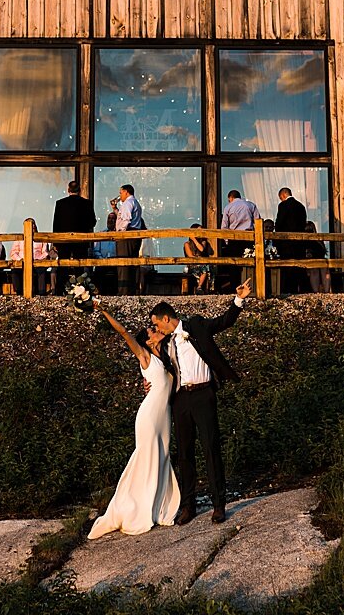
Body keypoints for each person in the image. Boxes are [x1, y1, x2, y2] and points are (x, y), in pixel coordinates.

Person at [144, 280, 250, 525]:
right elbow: (162, 371)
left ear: (167, 318)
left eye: (156, 322)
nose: (155, 327)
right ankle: (188, 505)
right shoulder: (166, 344)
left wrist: (239, 300)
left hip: (203, 395)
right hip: (181, 399)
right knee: (184, 452)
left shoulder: (196, 325)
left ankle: (218, 504)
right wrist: (149, 382)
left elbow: (224, 322)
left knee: (210, 447)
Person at [86, 296, 181, 539]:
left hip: (164, 415)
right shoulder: (145, 357)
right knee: (145, 457)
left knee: (162, 456)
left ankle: (158, 506)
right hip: (149, 416)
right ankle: (134, 507)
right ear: (147, 342)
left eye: (154, 327)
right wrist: (103, 310)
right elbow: (124, 333)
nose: (155, 330)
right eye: (151, 331)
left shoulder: (167, 353)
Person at [219, 190, 260, 289]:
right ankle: (252, 286)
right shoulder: (251, 205)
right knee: (250, 262)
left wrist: (227, 241)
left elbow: (224, 227)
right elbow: (257, 221)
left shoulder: (228, 207)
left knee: (234, 264)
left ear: (230, 198)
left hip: (234, 238)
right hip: (249, 237)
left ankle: (235, 287)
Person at [52, 180, 97, 269]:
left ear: (68, 190)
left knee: (63, 266)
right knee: (79, 267)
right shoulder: (87, 203)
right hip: (81, 240)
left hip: (64, 240)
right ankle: (78, 282)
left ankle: (62, 282)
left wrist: (56, 242)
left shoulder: (60, 203)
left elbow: (56, 224)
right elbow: (92, 222)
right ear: (79, 190)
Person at [273, 188, 309, 294]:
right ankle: (301, 290)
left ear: (284, 195)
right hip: (299, 242)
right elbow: (303, 223)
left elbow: (279, 222)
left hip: (286, 243)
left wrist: (277, 238)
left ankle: (288, 290)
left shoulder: (283, 206)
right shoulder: (301, 206)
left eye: (280, 198)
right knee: (299, 267)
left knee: (287, 267)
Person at [115, 184, 145, 295]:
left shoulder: (128, 203)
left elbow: (126, 219)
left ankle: (124, 292)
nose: (120, 195)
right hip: (133, 235)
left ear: (126, 192)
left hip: (127, 236)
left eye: (121, 192)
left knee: (124, 264)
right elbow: (123, 217)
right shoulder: (134, 202)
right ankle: (131, 290)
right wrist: (115, 209)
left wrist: (120, 233)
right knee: (131, 263)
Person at [7, 224, 55, 295]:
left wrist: (38, 259)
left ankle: (41, 292)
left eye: (33, 228)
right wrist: (20, 259)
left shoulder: (41, 239)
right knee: (15, 270)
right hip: (22, 261)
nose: (32, 229)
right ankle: (18, 292)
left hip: (37, 260)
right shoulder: (19, 239)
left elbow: (45, 252)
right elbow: (13, 252)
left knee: (41, 269)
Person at [182, 224, 214, 294]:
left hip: (202, 265)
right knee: (204, 268)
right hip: (192, 265)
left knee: (206, 268)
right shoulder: (187, 244)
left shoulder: (203, 242)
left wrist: (195, 241)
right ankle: (199, 288)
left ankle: (199, 287)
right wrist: (193, 239)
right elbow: (190, 256)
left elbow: (201, 249)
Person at [303, 220, 331, 293]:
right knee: (314, 268)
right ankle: (316, 291)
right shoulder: (303, 241)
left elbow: (322, 252)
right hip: (309, 262)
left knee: (324, 268)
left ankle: (326, 291)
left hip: (319, 259)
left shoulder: (318, 240)